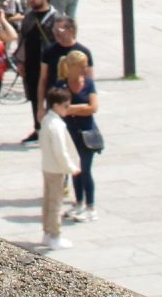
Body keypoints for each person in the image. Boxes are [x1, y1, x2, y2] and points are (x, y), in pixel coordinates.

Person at [56, 49, 101, 222]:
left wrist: (72, 109)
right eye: (81, 67)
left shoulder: (88, 83)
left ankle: (91, 206)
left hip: (88, 134)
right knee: (75, 170)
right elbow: (60, 109)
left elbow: (93, 108)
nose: (85, 70)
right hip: (70, 134)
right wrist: (82, 108)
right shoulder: (61, 85)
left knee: (86, 170)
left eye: (85, 66)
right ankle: (79, 202)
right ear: (72, 67)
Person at [39, 87, 81, 250]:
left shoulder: (47, 121)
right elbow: (60, 151)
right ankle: (55, 235)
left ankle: (47, 232)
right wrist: (71, 168)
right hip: (56, 168)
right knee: (56, 203)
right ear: (56, 105)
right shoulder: (55, 125)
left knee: (48, 201)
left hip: (47, 166)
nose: (67, 109)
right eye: (66, 106)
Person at [17, 0, 57, 142]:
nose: (31, 0)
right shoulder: (29, 16)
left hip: (49, 64)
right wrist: (20, 61)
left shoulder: (56, 17)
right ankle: (38, 128)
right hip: (31, 64)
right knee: (34, 97)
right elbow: (22, 39)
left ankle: (53, 131)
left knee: (52, 97)